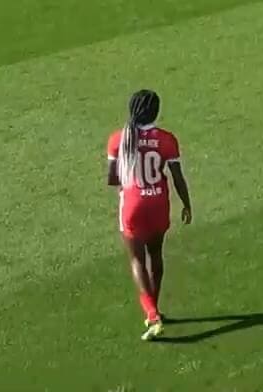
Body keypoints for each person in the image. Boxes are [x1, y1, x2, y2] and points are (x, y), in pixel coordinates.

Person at [106, 89, 192, 341]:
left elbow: (112, 179)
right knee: (156, 255)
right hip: (159, 203)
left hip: (133, 204)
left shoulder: (118, 139)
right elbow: (178, 178)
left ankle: (152, 316)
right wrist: (187, 204)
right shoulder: (167, 139)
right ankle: (154, 309)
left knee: (137, 261)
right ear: (156, 111)